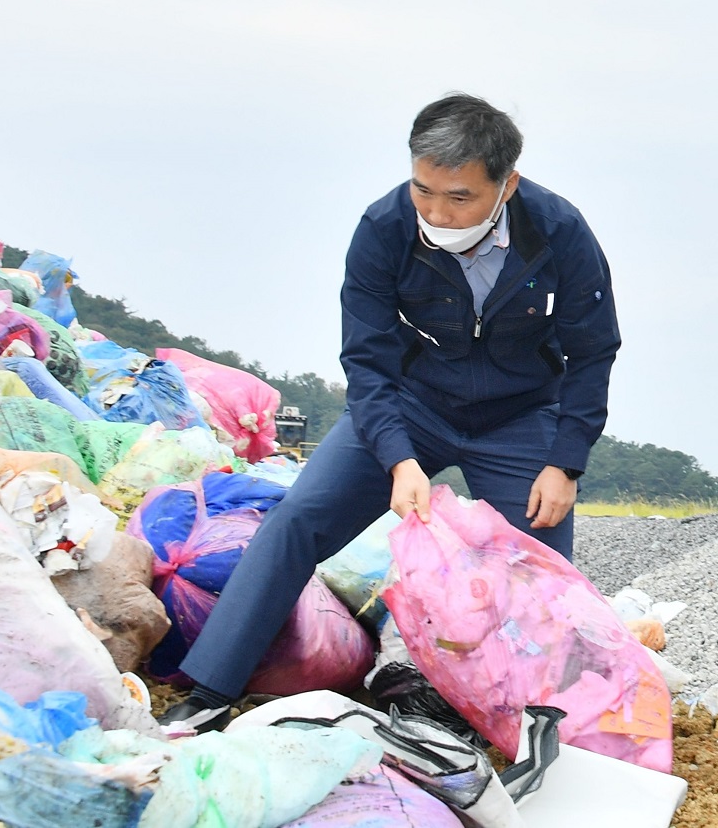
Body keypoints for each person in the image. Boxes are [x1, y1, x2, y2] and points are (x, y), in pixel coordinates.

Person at [162, 93, 621, 731]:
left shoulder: (560, 232)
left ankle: (534, 723)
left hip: (520, 417)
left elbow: (593, 350)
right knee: (298, 520)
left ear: (507, 184)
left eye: (459, 197)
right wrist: (399, 458)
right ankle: (210, 687)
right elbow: (368, 359)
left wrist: (565, 463)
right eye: (423, 189)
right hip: (414, 403)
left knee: (542, 572)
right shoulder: (384, 227)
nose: (436, 211)